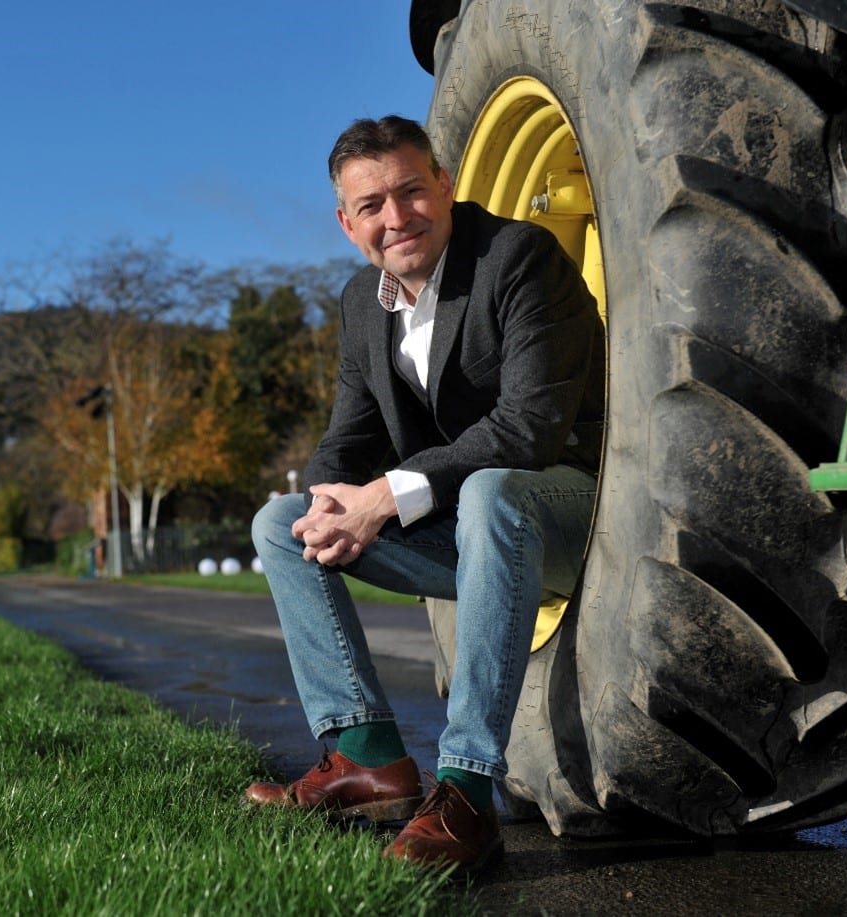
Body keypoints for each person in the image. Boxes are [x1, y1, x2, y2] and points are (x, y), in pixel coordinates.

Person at [245, 115, 605, 873]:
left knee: (491, 493)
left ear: (444, 184)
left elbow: (529, 429)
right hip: (474, 529)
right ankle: (365, 756)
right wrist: (327, 507)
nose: (396, 216)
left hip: (584, 511)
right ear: (347, 224)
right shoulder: (360, 302)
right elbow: (348, 440)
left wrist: (384, 497)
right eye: (371, 205)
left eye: (410, 190)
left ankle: (467, 790)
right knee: (281, 521)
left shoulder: (517, 257)